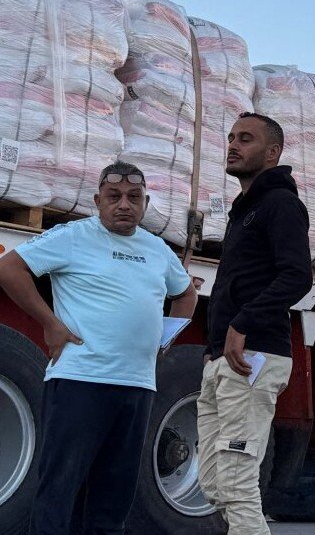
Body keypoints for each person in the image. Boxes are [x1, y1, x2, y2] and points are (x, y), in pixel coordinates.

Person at [0, 162, 197, 535]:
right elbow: (9, 269)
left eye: (134, 197)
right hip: (80, 381)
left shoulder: (157, 249)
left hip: (137, 387)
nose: (124, 204)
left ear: (146, 203)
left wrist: (165, 339)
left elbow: (186, 295)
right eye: (114, 196)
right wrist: (50, 323)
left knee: (113, 498)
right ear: (97, 201)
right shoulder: (73, 237)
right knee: (59, 492)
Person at [198, 112, 313, 533]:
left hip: (254, 356)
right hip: (225, 359)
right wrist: (213, 349)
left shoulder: (280, 204)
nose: (233, 145)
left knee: (236, 482)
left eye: (245, 139)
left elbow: (298, 276)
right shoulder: (244, 210)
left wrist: (243, 323)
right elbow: (238, 284)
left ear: (272, 153)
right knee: (214, 484)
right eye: (231, 137)